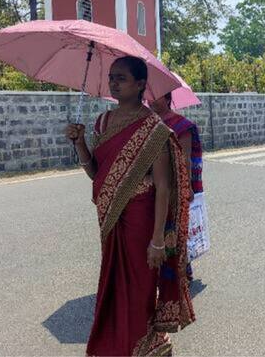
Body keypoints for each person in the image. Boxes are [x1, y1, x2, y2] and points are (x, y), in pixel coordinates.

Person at [65, 56, 195, 356]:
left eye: (121, 78)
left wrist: (158, 240)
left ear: (140, 85)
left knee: (140, 285)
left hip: (142, 217)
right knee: (113, 283)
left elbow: (163, 187)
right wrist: (80, 143)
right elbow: (97, 174)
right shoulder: (103, 122)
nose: (114, 82)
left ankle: (148, 340)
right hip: (110, 216)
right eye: (112, 77)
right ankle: (117, 342)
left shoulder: (154, 129)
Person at [150, 91, 204, 281]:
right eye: (147, 96)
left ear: (166, 98)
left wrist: (187, 186)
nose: (149, 99)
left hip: (174, 185)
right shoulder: (148, 123)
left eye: (154, 96)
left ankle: (180, 274)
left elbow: (185, 159)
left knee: (173, 231)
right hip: (153, 185)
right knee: (155, 228)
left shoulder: (181, 125)